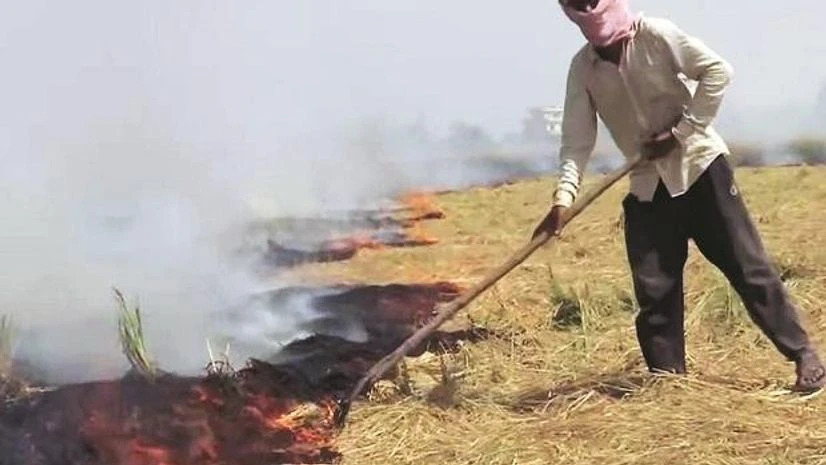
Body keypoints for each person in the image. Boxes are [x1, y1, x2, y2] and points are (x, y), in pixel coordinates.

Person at [532, 0, 826, 392]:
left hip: (701, 169)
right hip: (648, 186)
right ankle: (670, 383)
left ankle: (803, 354)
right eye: (576, 3)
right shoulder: (583, 70)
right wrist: (562, 201)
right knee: (655, 290)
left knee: (749, 269)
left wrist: (680, 133)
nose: (587, 7)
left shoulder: (656, 35)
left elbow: (718, 72)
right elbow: (575, 143)